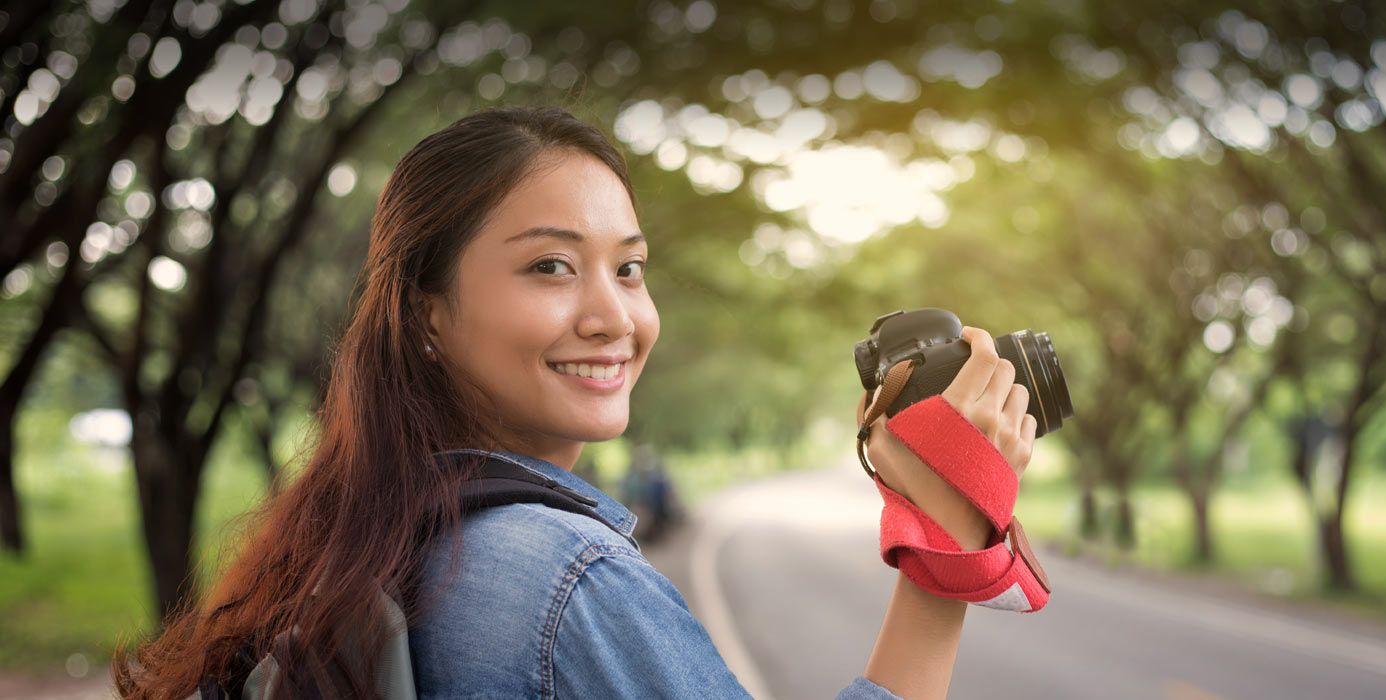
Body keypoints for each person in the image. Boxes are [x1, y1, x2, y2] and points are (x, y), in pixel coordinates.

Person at [114, 106, 1036, 700]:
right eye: (550, 266)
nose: (614, 316)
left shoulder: (375, 535)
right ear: (427, 313)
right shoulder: (560, 576)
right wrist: (944, 537)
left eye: (629, 269)